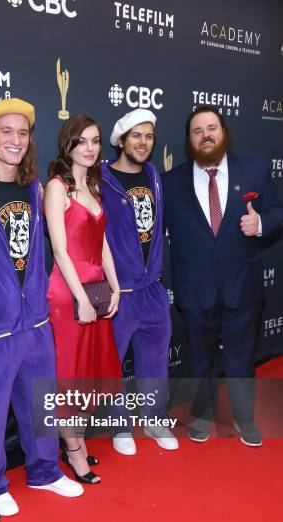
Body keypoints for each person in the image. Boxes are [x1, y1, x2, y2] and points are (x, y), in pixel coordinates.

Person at [0, 98, 83, 517]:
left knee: (39, 402)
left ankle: (44, 470)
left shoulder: (33, 188)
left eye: (23, 133)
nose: (15, 140)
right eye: (6, 131)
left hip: (36, 320)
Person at [162, 105, 283, 446]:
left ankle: (245, 419)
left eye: (211, 127)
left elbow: (276, 211)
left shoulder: (255, 171)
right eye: (197, 130)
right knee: (199, 359)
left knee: (241, 359)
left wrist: (261, 224)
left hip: (241, 286)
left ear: (224, 132)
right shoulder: (170, 183)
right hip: (195, 289)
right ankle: (201, 415)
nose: (206, 135)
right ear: (189, 140)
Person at [44, 114, 122, 484]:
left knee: (90, 373)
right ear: (68, 145)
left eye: (95, 141)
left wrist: (115, 283)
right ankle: (73, 451)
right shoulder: (57, 187)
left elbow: (101, 240)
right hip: (68, 292)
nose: (90, 148)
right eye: (82, 141)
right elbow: (60, 251)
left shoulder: (94, 186)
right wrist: (82, 299)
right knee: (70, 376)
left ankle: (77, 441)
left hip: (97, 288)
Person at [100, 109, 178, 454]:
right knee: (113, 363)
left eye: (148, 136)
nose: (143, 142)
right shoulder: (99, 179)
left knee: (155, 360)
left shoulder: (154, 176)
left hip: (153, 290)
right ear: (121, 140)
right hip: (120, 291)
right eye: (136, 135)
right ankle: (120, 427)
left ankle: (154, 418)